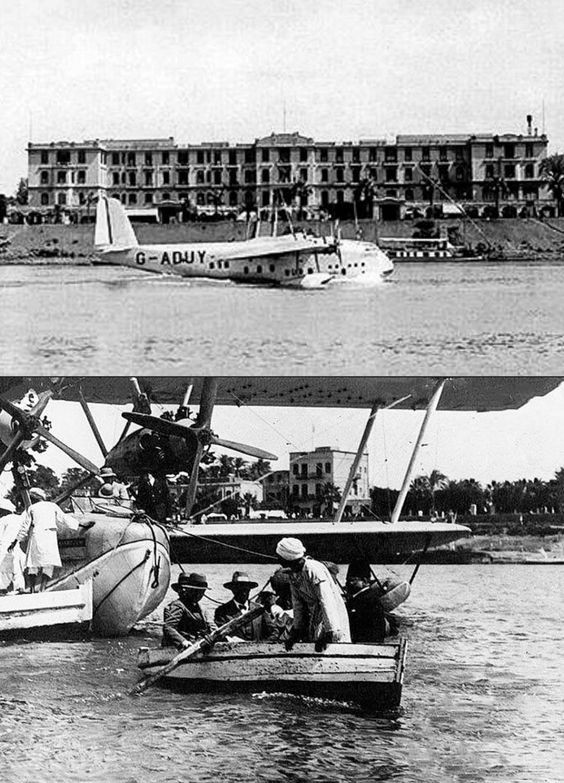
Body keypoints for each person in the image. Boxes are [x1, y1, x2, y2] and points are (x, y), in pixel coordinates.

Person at [275, 537, 351, 652]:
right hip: (316, 615)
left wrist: (331, 630)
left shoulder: (313, 569)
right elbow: (298, 605)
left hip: (332, 615)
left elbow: (326, 600)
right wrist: (297, 630)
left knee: (333, 646)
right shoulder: (293, 574)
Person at [14, 487, 95, 592]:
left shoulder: (32, 508)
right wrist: (81, 524)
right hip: (49, 536)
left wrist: (17, 540)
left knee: (33, 564)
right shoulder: (52, 506)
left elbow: (25, 526)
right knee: (49, 563)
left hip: (37, 536)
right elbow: (64, 518)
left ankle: (33, 589)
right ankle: (42, 589)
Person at [215, 571, 276, 641]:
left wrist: (263, 646)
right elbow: (220, 636)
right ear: (233, 590)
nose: (244, 592)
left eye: (246, 588)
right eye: (240, 588)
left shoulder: (259, 610)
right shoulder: (222, 612)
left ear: (250, 590)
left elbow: (273, 632)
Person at [162, 572, 215, 649]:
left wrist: (224, 637)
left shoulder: (201, 609)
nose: (198, 595)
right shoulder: (178, 605)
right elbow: (168, 627)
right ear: (188, 590)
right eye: (195, 591)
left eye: (201, 592)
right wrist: (183, 641)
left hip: (198, 645)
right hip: (180, 647)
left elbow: (211, 625)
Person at [0, 499, 25, 594]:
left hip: (4, 545)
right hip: (15, 545)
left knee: (3, 568)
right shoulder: (19, 519)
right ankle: (20, 587)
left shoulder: (3, 520)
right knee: (17, 567)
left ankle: (2, 588)